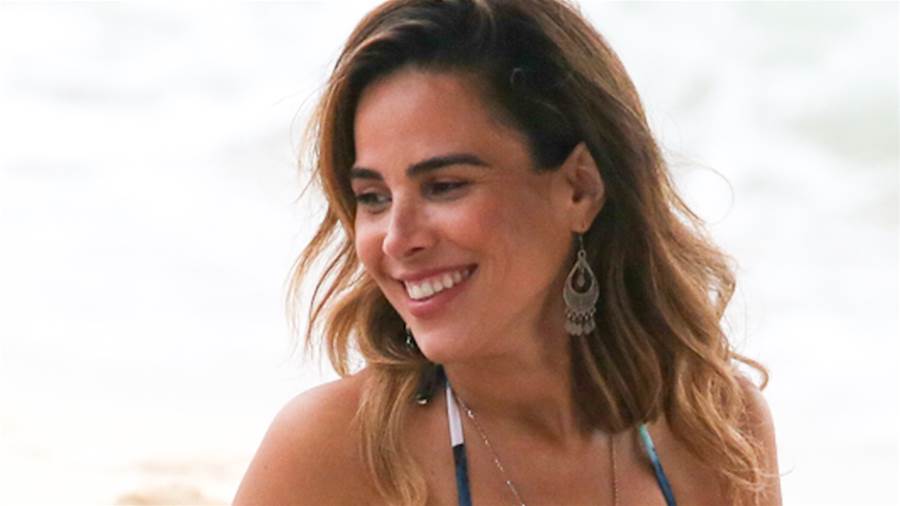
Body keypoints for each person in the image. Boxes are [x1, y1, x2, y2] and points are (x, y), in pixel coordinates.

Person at [234, 0, 782, 504]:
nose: (398, 239)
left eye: (444, 186)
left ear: (579, 188)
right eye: (373, 197)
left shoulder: (715, 426)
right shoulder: (334, 453)